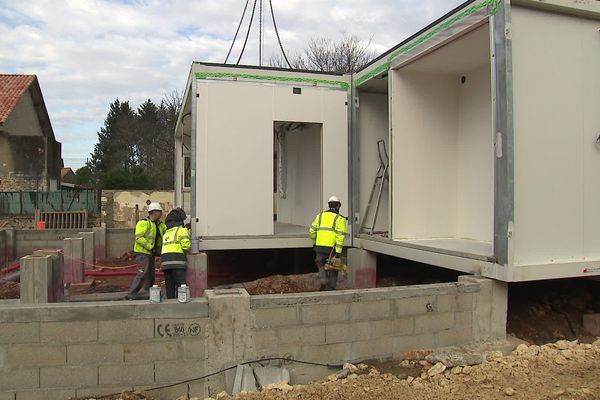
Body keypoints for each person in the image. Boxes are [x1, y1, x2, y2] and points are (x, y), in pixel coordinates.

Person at [125, 202, 166, 300]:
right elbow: (139, 238)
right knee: (142, 273)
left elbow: (166, 232)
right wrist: (150, 247)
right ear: (154, 212)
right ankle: (131, 294)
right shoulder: (143, 223)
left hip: (150, 253)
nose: (161, 214)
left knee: (150, 274)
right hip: (142, 253)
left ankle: (148, 291)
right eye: (159, 212)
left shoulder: (159, 225)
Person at [309, 195, 347, 291]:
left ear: (329, 205)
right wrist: (338, 252)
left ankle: (323, 280)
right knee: (334, 267)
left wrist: (315, 241)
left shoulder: (320, 216)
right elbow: (340, 236)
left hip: (319, 247)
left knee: (320, 263)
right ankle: (331, 288)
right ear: (338, 206)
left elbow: (312, 231)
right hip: (332, 249)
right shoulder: (340, 219)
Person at [161, 208, 191, 299]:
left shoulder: (166, 232)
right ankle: (180, 307)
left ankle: (170, 306)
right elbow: (186, 246)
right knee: (181, 286)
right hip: (178, 262)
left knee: (169, 286)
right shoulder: (181, 230)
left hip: (165, 263)